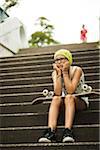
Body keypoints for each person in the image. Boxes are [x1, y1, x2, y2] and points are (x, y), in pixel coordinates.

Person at [38, 49, 89, 143]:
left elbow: (71, 90)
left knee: (69, 97)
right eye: (57, 60)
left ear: (69, 60)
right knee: (56, 98)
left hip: (79, 100)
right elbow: (57, 92)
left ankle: (68, 131)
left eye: (62, 59)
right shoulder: (54, 73)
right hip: (65, 101)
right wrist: (58, 74)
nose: (59, 62)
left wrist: (65, 73)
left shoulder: (76, 70)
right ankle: (50, 131)